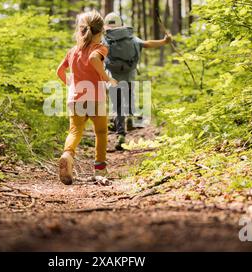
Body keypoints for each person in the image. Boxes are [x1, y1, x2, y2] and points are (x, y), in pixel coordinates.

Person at [56, 10, 118, 185]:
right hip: (95, 98)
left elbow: (59, 71)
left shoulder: (72, 51)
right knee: (101, 132)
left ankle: (67, 155)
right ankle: (100, 169)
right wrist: (107, 78)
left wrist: (69, 83)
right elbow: (93, 59)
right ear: (100, 32)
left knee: (75, 131)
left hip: (75, 98)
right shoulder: (100, 48)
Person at [103, 12, 171, 150]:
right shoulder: (131, 37)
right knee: (128, 100)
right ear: (121, 23)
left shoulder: (105, 40)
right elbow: (148, 44)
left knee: (117, 106)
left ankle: (120, 134)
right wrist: (164, 41)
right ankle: (130, 116)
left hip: (113, 78)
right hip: (129, 76)